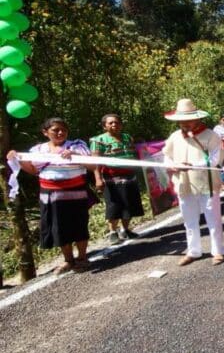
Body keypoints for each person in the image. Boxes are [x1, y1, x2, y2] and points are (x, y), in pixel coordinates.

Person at [7, 118, 96, 274]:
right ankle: (68, 260)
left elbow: (92, 166)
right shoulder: (37, 150)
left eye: (63, 130)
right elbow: (34, 170)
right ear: (45, 132)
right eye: (55, 130)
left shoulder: (77, 145)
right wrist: (18, 159)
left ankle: (82, 258)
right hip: (51, 195)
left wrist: (75, 155)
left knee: (79, 224)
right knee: (59, 227)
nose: (60, 133)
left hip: (76, 192)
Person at [162, 99, 224, 266]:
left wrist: (193, 166)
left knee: (213, 219)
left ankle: (218, 251)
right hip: (184, 184)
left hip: (207, 184)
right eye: (182, 120)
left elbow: (215, 159)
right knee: (189, 220)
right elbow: (166, 156)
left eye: (188, 119)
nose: (185, 123)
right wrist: (172, 166)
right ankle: (193, 251)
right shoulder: (175, 136)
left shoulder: (211, 135)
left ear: (197, 118)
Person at [90, 113, 145, 244]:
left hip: (130, 176)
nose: (114, 125)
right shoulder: (98, 141)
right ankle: (112, 232)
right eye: (110, 123)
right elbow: (94, 162)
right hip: (112, 178)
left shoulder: (127, 137)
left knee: (129, 204)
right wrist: (98, 179)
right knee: (114, 206)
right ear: (104, 126)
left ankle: (125, 230)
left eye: (117, 122)